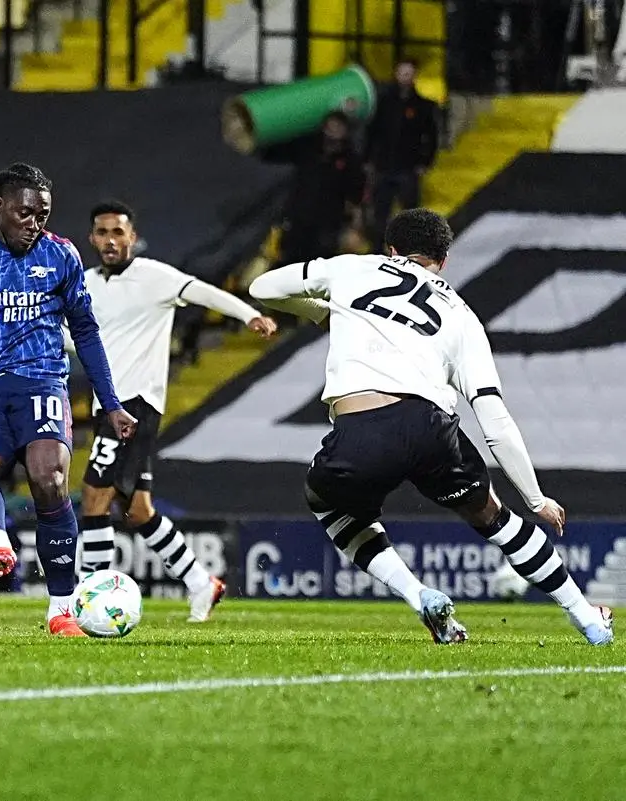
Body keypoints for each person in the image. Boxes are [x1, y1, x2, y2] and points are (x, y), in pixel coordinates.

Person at [248, 208, 613, 646]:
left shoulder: (350, 268)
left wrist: (321, 312)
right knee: (496, 518)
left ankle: (419, 595)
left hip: (362, 426)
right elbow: (493, 417)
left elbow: (262, 288)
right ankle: (586, 617)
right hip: (433, 428)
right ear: (442, 260)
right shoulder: (462, 316)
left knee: (330, 505)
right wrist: (536, 498)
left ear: (392, 249)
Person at [0, 163, 137, 637]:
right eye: (25, 213)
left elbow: (86, 331)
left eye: (43, 215)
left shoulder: (61, 255)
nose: (35, 223)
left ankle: (60, 608)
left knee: (48, 475)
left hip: (42, 382)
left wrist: (110, 402)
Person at [76, 200, 278, 621]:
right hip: (105, 404)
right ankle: (201, 583)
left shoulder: (154, 276)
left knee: (94, 496)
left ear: (132, 236)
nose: (110, 240)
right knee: (138, 510)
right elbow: (78, 340)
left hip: (135, 406)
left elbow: (202, 291)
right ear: (92, 238)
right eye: (102, 232)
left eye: (118, 232)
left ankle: (88, 597)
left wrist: (248, 314)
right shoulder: (86, 284)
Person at [272, 111, 366, 268]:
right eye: (331, 126)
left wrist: (354, 219)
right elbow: (278, 153)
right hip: (299, 216)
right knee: (288, 259)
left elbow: (356, 192)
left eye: (338, 127)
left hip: (327, 222)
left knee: (318, 265)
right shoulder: (308, 150)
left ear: (345, 131)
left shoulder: (350, 160)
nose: (334, 130)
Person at [365, 59, 439, 246]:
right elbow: (372, 132)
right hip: (384, 164)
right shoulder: (384, 103)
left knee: (410, 212)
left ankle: (409, 248)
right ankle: (377, 249)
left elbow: (431, 137)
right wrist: (368, 158)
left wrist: (425, 162)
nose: (405, 77)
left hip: (408, 166)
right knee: (380, 211)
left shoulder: (423, 106)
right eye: (402, 73)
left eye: (409, 73)